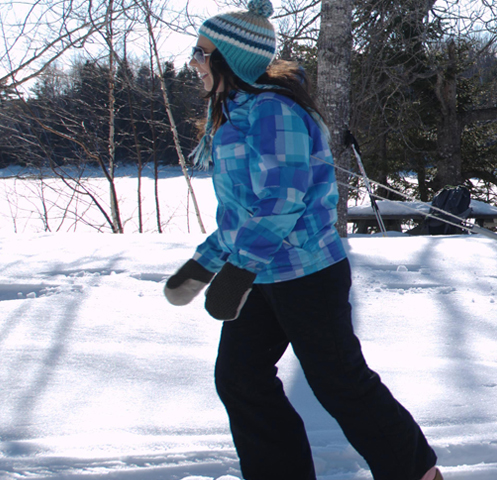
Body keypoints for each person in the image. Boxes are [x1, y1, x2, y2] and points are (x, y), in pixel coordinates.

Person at [159, 2, 441, 478]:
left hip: (306, 273)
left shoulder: (273, 111)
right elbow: (241, 214)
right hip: (262, 271)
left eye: (202, 52)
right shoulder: (235, 111)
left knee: (340, 383)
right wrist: (206, 263)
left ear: (233, 58)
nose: (194, 62)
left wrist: (239, 270)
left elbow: (282, 200)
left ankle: (418, 474)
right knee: (240, 380)